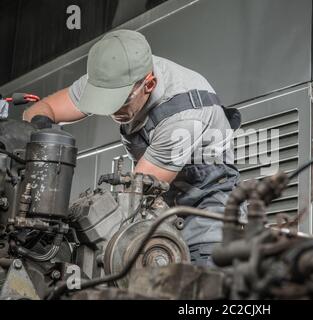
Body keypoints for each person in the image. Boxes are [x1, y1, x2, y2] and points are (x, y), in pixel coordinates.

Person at [23, 29, 243, 267]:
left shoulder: (183, 115)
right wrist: (42, 129)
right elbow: (42, 109)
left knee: (200, 285)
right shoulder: (111, 74)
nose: (111, 110)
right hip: (163, 204)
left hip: (206, 207)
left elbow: (135, 199)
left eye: (120, 100)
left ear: (149, 85)